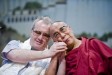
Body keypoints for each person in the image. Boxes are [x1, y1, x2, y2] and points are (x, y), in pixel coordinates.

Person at [0, 17, 67, 75]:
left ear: (49, 38)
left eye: (45, 35)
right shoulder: (15, 44)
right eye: (37, 32)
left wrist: (54, 56)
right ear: (31, 32)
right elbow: (13, 55)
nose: (40, 38)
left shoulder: (50, 60)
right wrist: (49, 53)